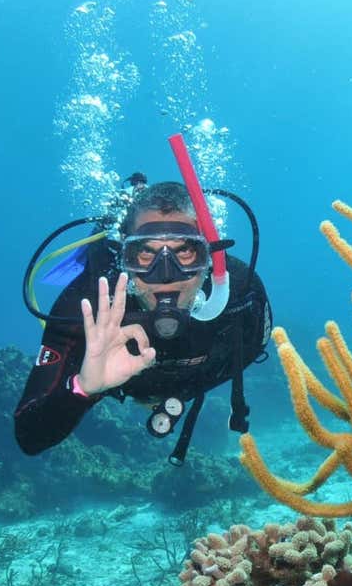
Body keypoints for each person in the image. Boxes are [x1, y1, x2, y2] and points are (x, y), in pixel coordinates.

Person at [14, 175, 272, 465]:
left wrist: (182, 391)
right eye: (145, 253)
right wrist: (82, 389)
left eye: (185, 251)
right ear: (124, 257)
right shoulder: (88, 307)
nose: (166, 275)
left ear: (209, 255)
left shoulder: (241, 296)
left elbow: (250, 350)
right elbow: (28, 437)